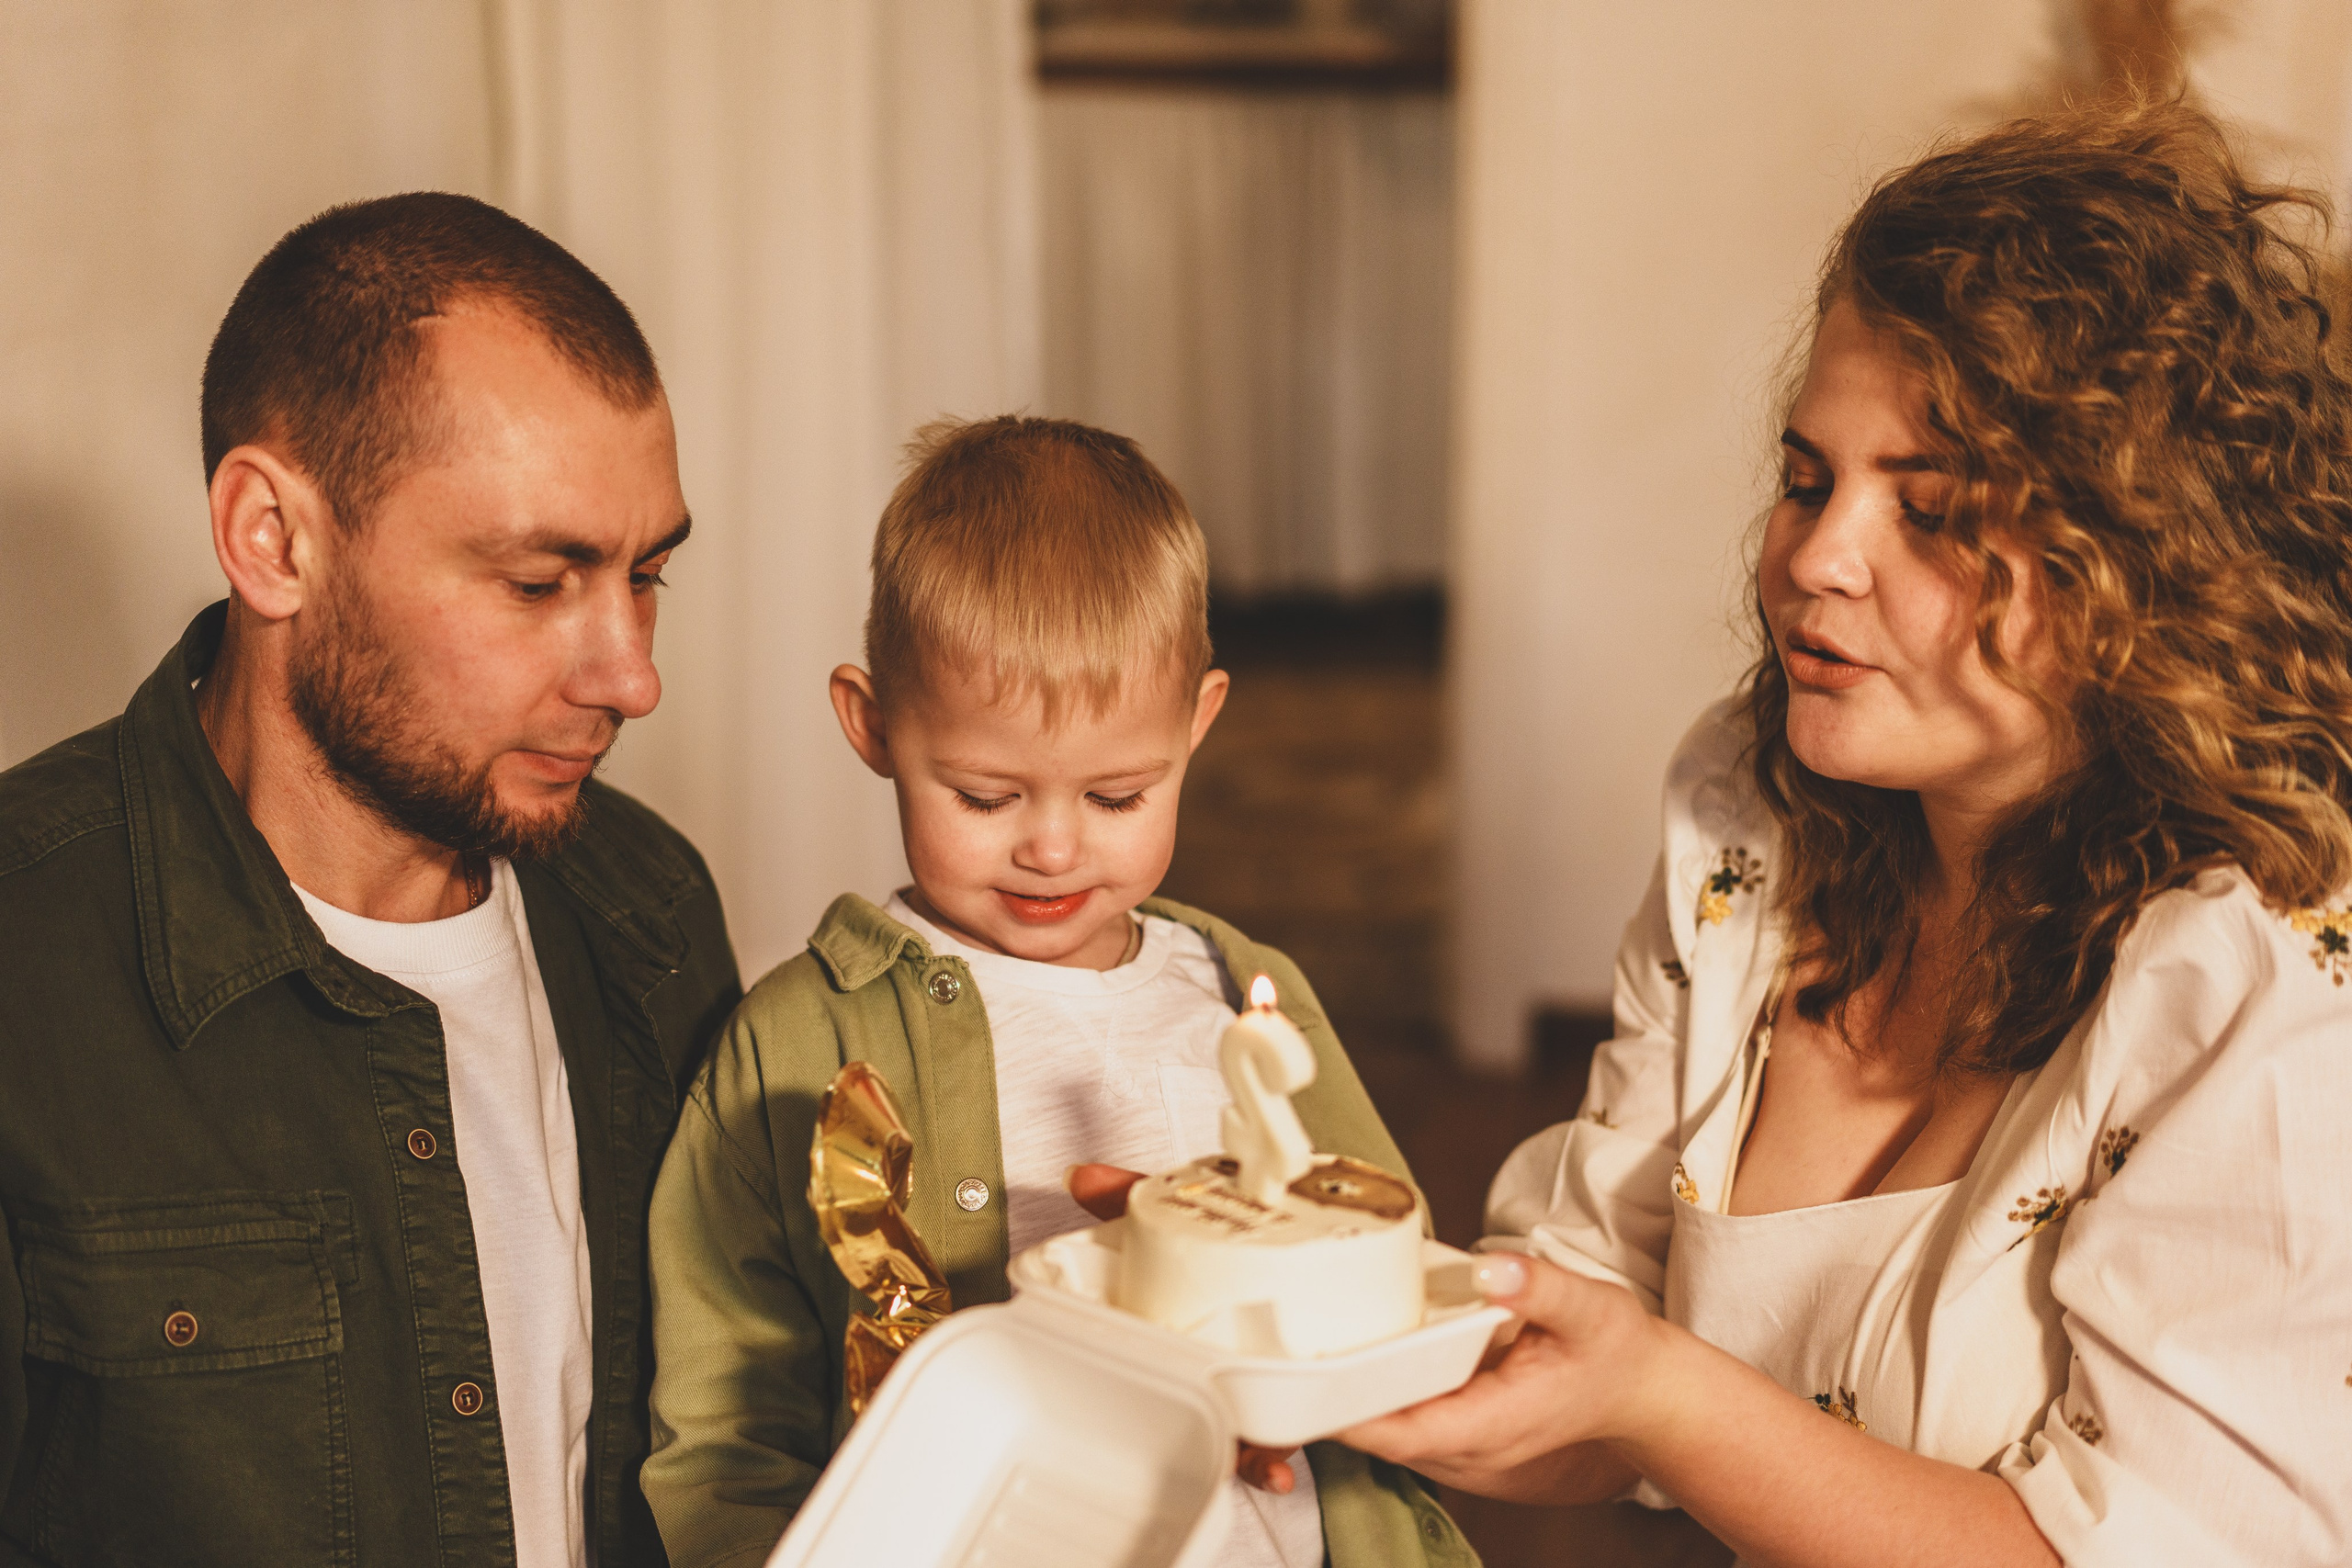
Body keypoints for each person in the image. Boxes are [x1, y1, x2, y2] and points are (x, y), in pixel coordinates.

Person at [1344, 100, 2352, 1566]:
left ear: (2143, 565)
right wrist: (1271, 1295)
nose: (1816, 558)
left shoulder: (2272, 982)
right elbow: (1580, 1349)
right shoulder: (1748, 832)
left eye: (1931, 510)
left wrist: (1655, 1389)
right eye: (1809, 478)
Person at [0, 194, 741, 1566]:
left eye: (647, 576)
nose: (631, 673)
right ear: (273, 539)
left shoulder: (652, 910)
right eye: (538, 582)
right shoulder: (25, 970)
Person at [639, 416, 1472, 1568]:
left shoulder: (1248, 1000)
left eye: (1120, 796)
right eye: (984, 796)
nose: (1052, 849)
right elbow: (723, 1428)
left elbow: (1384, 1268)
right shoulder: (792, 1045)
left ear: (1199, 724)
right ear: (871, 724)